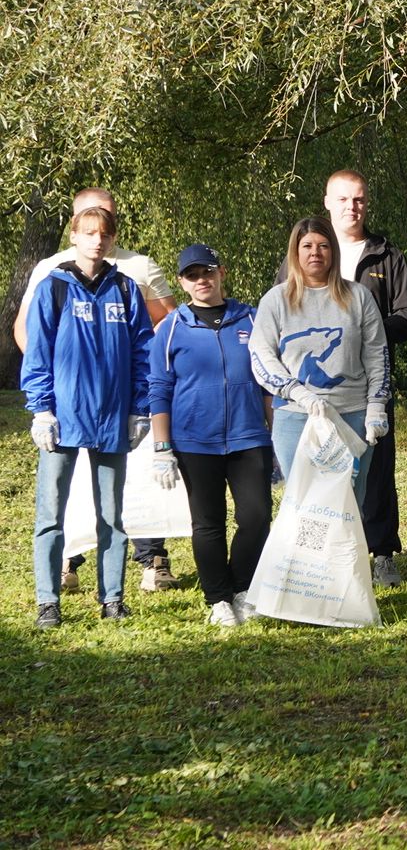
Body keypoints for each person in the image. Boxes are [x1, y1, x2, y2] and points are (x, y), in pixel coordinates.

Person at [14, 187, 179, 595]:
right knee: (52, 513)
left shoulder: (126, 286)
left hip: (112, 417)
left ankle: (113, 599)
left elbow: (145, 348)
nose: (97, 240)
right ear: (73, 234)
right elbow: (37, 348)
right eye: (88, 232)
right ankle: (48, 600)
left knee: (112, 514)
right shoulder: (53, 283)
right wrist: (41, 408)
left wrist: (139, 407)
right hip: (63, 417)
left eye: (104, 233)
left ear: (113, 236)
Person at [147, 245, 274, 627]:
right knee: (208, 523)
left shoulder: (252, 318)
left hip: (249, 436)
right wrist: (161, 448)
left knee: (256, 517)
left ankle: (243, 587)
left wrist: (276, 437)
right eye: (192, 275)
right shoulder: (172, 327)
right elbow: (159, 388)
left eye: (207, 271)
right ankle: (218, 599)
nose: (201, 280)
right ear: (182, 282)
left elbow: (268, 383)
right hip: (194, 441)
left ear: (222, 272)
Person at [322, 169, 407, 588]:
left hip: (372, 384)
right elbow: (286, 308)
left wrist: (366, 330)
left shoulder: (386, 255)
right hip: (319, 384)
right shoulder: (311, 249)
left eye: (359, 199)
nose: (352, 207)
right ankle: (327, 553)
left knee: (377, 469)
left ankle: (382, 554)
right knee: (325, 467)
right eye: (344, 199)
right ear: (328, 203)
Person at [249, 217, 389, 507]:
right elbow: (261, 355)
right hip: (295, 417)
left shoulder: (359, 297)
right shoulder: (276, 300)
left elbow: (377, 354)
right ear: (295, 251)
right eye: (307, 246)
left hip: (352, 416)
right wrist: (298, 392)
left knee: (349, 507)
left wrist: (377, 405)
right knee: (302, 507)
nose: (315, 252)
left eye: (323, 245)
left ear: (333, 251)